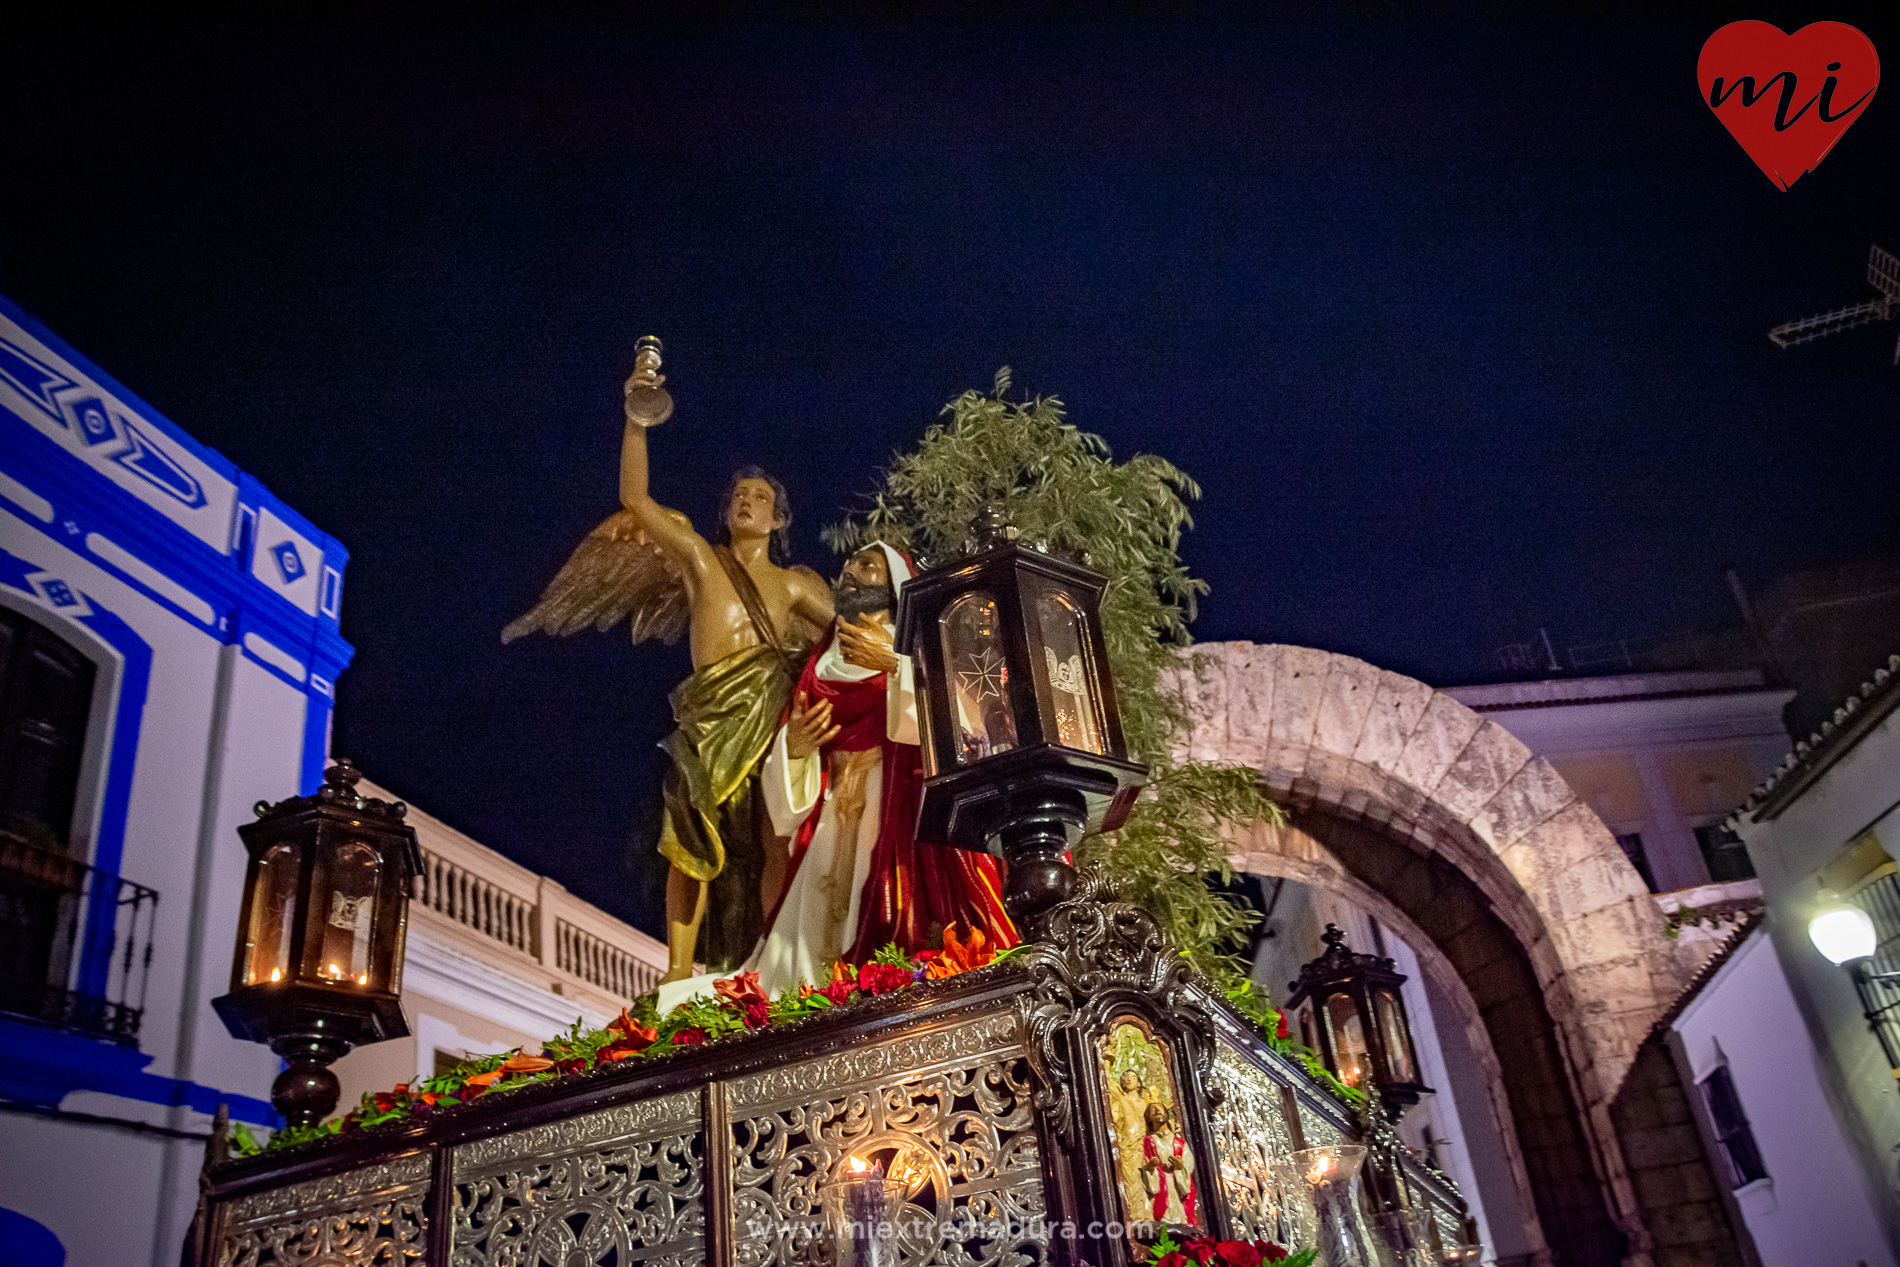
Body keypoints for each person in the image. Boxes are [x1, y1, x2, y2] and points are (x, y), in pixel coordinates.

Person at [503, 341, 833, 982]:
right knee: (686, 841)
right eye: (739, 494)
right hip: (707, 715)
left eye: (759, 498)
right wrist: (637, 415)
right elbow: (636, 499)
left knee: (773, 838)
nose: (745, 502)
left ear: (778, 518)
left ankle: (774, 959)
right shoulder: (701, 560)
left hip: (767, 716)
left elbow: (849, 637)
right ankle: (679, 969)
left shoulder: (796, 585)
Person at [747, 542, 1017, 995]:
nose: (852, 570)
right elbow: (791, 769)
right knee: (795, 975)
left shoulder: (916, 645)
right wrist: (794, 746)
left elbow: (965, 726)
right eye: (850, 562)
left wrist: (894, 664)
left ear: (892, 586)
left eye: (868, 564)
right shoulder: (820, 662)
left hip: (899, 817)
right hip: (831, 817)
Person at [1139, 1102, 1197, 1227]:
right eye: (1153, 1111)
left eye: (1160, 1109)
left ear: (1166, 1115)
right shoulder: (1148, 1141)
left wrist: (1180, 1167)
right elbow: (1144, 1165)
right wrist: (1150, 1168)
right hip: (1161, 1189)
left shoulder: (1180, 1143)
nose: (1157, 1112)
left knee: (1179, 1217)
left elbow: (1188, 1166)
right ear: (1148, 1118)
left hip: (1176, 1187)